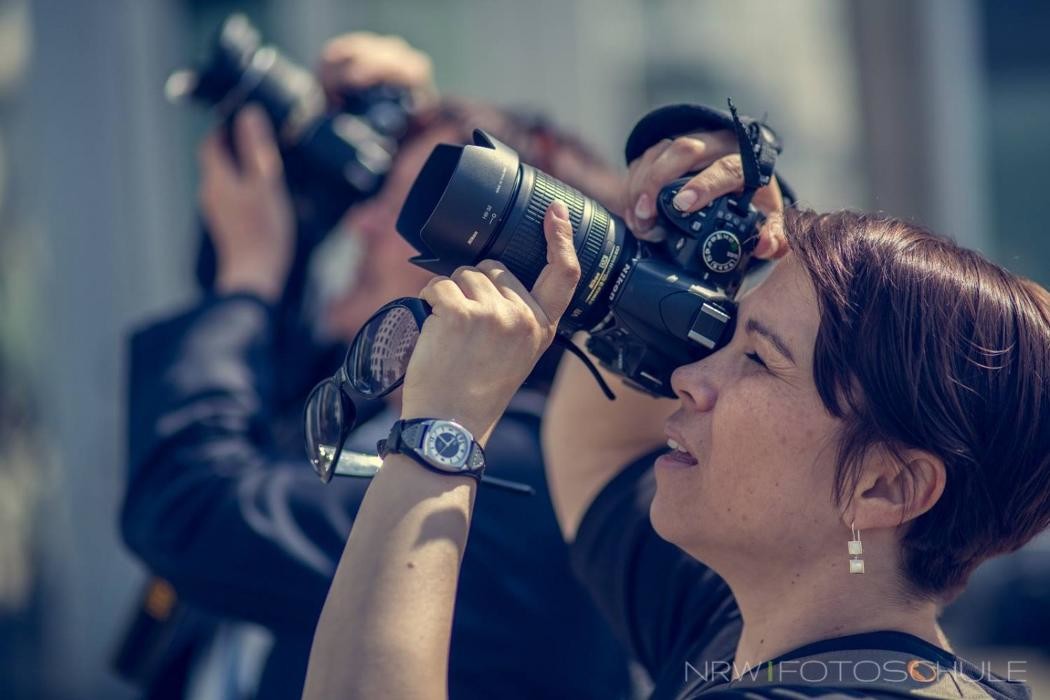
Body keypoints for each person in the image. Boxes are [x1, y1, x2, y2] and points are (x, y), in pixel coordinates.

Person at [300, 111, 1050, 699]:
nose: (692, 376)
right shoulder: (759, 640)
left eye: (756, 357)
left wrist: (440, 433)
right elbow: (601, 456)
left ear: (886, 485)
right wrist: (680, 251)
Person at [120, 33, 629, 700]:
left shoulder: (507, 473)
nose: (360, 224)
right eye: (380, 192)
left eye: (406, 207)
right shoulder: (378, 404)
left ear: (500, 265)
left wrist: (248, 278)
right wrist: (385, 120)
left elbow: (193, 511)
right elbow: (253, 376)